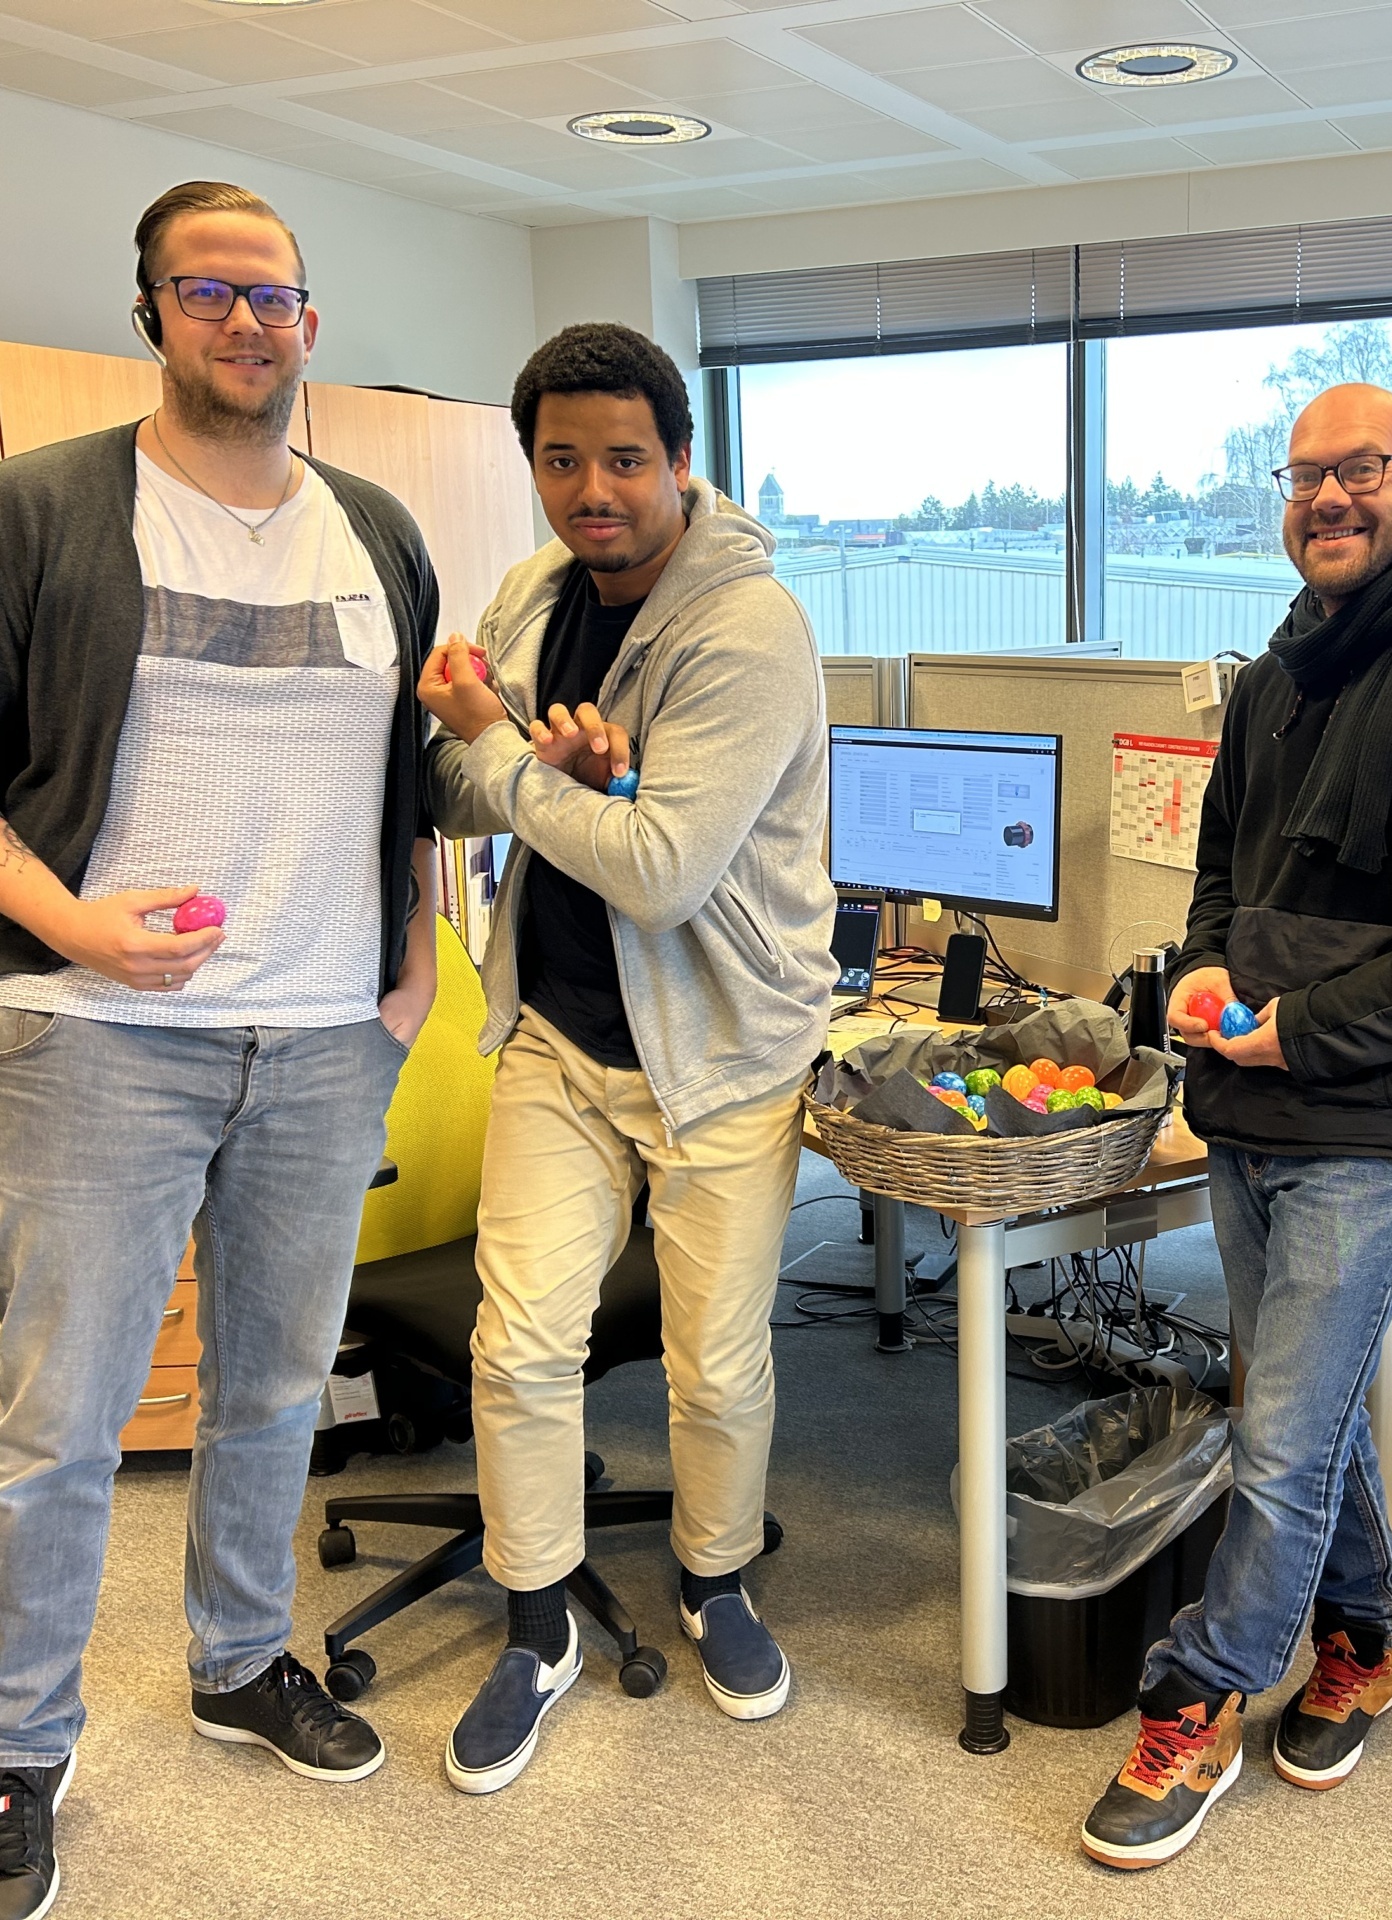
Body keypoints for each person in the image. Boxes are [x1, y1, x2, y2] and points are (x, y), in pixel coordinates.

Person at [0, 181, 440, 1919]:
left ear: (310, 324)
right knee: (60, 1417)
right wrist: (74, 925)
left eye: (275, 297)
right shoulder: (44, 506)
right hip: (101, 1035)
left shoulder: (377, 528)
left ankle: (242, 1659)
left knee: (275, 1388)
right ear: (153, 312)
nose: (248, 323)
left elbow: (409, 779)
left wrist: (411, 968)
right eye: (210, 291)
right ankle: (16, 1746)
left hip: (329, 1031)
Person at [1080, 383, 1392, 1871]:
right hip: (1252, 1101)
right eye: (1302, 476)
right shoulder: (1275, 673)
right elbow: (1222, 876)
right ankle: (1367, 1630)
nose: (1327, 498)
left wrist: (1306, 1024)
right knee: (1309, 1408)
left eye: (1360, 469)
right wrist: (1207, 970)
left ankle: (1202, 1699)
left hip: (1389, 1119)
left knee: (1280, 1429)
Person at [418, 323, 836, 1796]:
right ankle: (538, 1624)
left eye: (624, 459)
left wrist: (522, 760)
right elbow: (450, 790)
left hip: (721, 1052)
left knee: (713, 1364)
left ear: (681, 460)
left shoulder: (747, 629)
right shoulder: (533, 595)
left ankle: (716, 1580)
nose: (591, 490)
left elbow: (658, 870)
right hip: (557, 1031)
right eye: (560, 460)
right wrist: (546, 774)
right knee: (519, 1344)